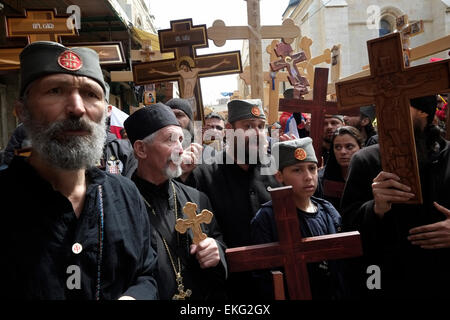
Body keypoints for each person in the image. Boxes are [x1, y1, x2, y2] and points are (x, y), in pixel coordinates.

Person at [0, 41, 158, 300]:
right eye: (55, 91)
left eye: (90, 94)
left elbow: (146, 275)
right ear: (21, 111)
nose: (77, 108)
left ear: (105, 113)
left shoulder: (126, 195)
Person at [341, 95, 450, 299]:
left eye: (394, 104)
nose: (385, 114)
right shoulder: (365, 160)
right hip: (388, 279)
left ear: (423, 111)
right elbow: (348, 226)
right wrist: (376, 208)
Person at [124, 103, 227, 300]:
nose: (181, 150)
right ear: (141, 149)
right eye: (171, 141)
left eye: (182, 140)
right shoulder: (122, 204)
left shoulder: (197, 198)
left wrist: (217, 251)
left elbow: (217, 239)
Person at [182, 99, 282, 299]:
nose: (257, 134)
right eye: (248, 127)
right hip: (228, 288)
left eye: (261, 127)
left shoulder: (278, 169)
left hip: (276, 282)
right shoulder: (204, 174)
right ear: (229, 130)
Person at [251, 138, 345, 299]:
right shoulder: (268, 217)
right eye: (297, 170)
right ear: (279, 175)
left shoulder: (328, 211)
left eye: (312, 168)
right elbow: (264, 276)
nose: (308, 177)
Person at [150, 57, 231, 118]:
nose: (182, 69)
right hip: (184, 98)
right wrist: (156, 71)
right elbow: (169, 73)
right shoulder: (181, 72)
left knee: (194, 117)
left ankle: (195, 134)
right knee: (184, 116)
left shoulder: (196, 70)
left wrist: (222, 62)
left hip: (192, 97)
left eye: (183, 67)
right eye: (181, 68)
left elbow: (209, 68)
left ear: (186, 65)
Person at [316, 126, 364, 211]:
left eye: (349, 147)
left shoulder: (371, 176)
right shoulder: (321, 178)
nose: (343, 152)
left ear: (360, 147)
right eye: (337, 147)